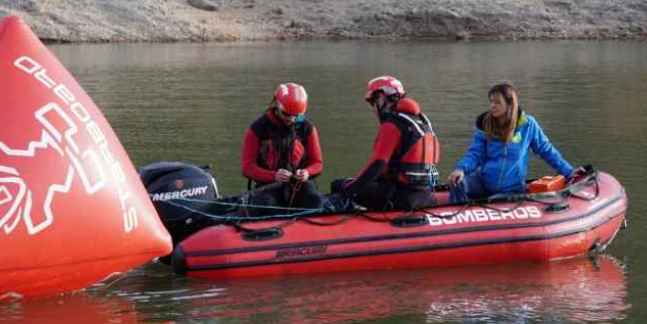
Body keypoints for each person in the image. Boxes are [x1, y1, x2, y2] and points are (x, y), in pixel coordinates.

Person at [446, 82, 580, 202]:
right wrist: (460, 169)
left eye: (497, 102)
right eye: (491, 101)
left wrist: (568, 172)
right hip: (483, 182)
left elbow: (546, 150)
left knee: (493, 202)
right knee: (458, 183)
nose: (492, 106)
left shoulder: (528, 125)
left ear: (510, 103)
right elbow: (475, 154)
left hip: (511, 188)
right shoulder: (485, 125)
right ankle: (455, 217)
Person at [330, 76, 441, 211]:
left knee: (338, 185)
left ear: (381, 98)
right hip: (425, 195)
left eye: (373, 102)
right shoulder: (423, 121)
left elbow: (377, 165)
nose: (373, 108)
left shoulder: (391, 125)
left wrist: (350, 189)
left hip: (399, 198)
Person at [241, 83, 325, 214]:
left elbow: (317, 164)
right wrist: (274, 176)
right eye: (286, 114)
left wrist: (307, 173)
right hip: (268, 186)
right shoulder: (257, 129)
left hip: (297, 186)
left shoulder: (307, 128)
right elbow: (247, 168)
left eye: (296, 115)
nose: (291, 119)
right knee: (266, 206)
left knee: (317, 201)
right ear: (276, 105)